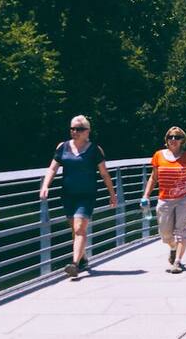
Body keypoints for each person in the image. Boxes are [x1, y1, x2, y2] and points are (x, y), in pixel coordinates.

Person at [39, 115, 117, 279]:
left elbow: (104, 174)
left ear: (87, 131)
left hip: (86, 195)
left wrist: (112, 194)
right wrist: (45, 186)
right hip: (68, 195)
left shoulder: (95, 149)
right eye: (72, 129)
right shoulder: (63, 147)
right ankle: (83, 259)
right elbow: (52, 169)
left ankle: (74, 265)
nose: (75, 132)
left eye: (79, 129)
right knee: (74, 231)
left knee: (79, 229)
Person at [143, 127, 186, 273]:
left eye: (177, 137)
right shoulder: (158, 156)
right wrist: (146, 195)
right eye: (171, 137)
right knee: (166, 234)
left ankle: (177, 262)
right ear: (166, 139)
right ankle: (173, 247)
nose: (173, 139)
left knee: (181, 231)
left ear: (182, 141)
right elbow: (154, 178)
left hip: (184, 198)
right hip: (165, 199)